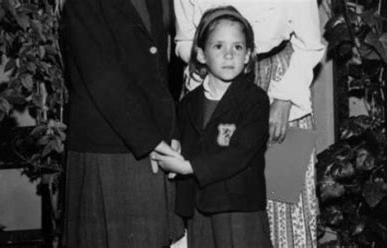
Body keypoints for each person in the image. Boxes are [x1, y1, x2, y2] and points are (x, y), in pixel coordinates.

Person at [174, 1, 326, 247]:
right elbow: (184, 40)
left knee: (286, 203)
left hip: (282, 86)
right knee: (216, 203)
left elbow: (311, 44)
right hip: (211, 82)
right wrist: (204, 74)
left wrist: (285, 97)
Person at [60, 0, 183, 247]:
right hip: (109, 147)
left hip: (152, 141)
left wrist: (172, 131)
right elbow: (102, 80)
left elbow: (162, 72)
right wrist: (150, 140)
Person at [152, 6, 272, 247]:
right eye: (219, 46)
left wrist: (188, 166)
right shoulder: (189, 102)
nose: (229, 55)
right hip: (199, 210)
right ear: (201, 54)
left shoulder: (254, 100)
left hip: (238, 208)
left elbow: (239, 154)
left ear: (248, 55)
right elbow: (185, 139)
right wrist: (175, 149)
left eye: (237, 47)